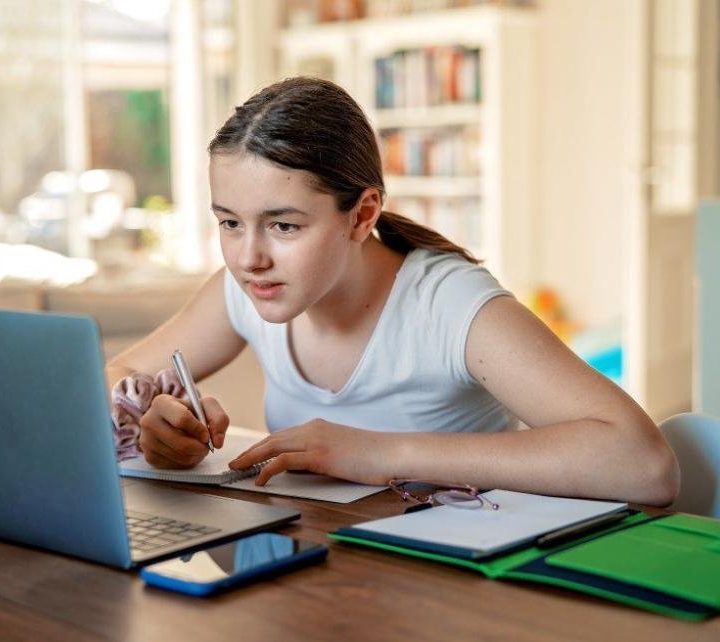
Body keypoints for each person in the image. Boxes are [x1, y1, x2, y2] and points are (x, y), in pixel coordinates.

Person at [106, 77, 678, 507]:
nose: (248, 256)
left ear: (363, 215)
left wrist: (384, 453)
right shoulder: (245, 289)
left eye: (283, 225)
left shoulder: (450, 306)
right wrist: (156, 421)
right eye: (230, 222)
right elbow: (111, 377)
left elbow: (643, 463)